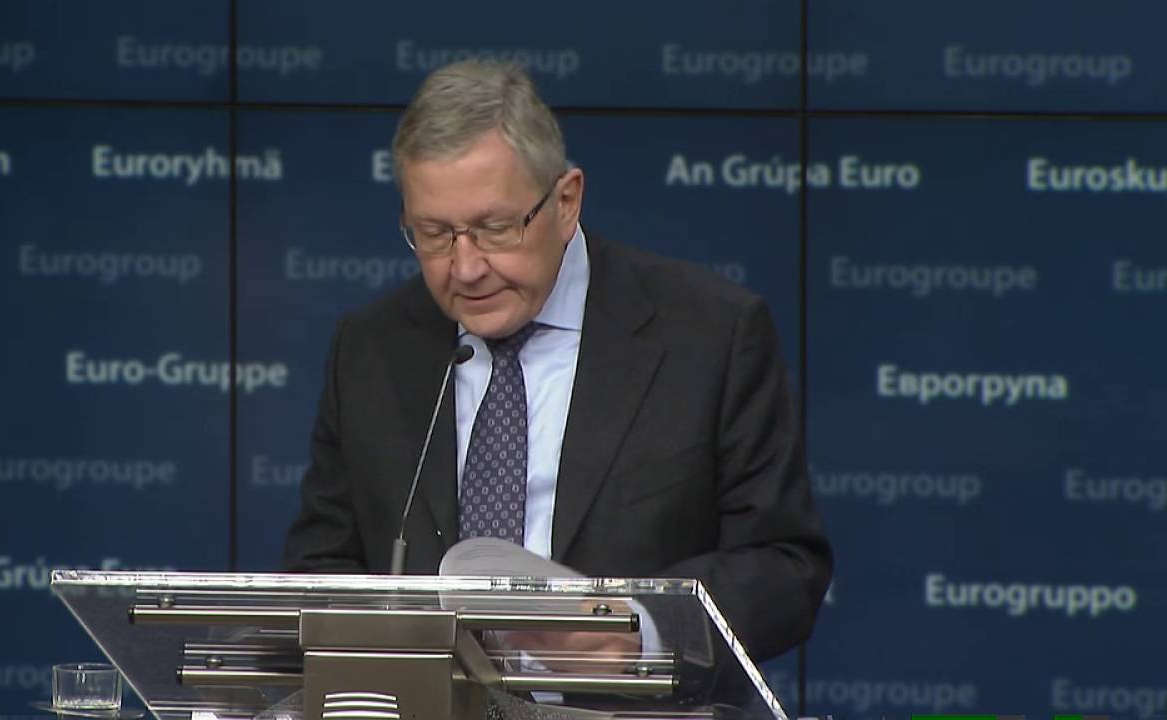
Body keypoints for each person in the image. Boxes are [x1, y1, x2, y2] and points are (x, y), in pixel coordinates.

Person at [283, 59, 832, 665]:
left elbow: (784, 567)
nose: (466, 267)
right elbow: (321, 569)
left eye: (495, 228)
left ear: (566, 201)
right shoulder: (371, 348)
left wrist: (640, 630)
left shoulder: (710, 335)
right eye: (434, 234)